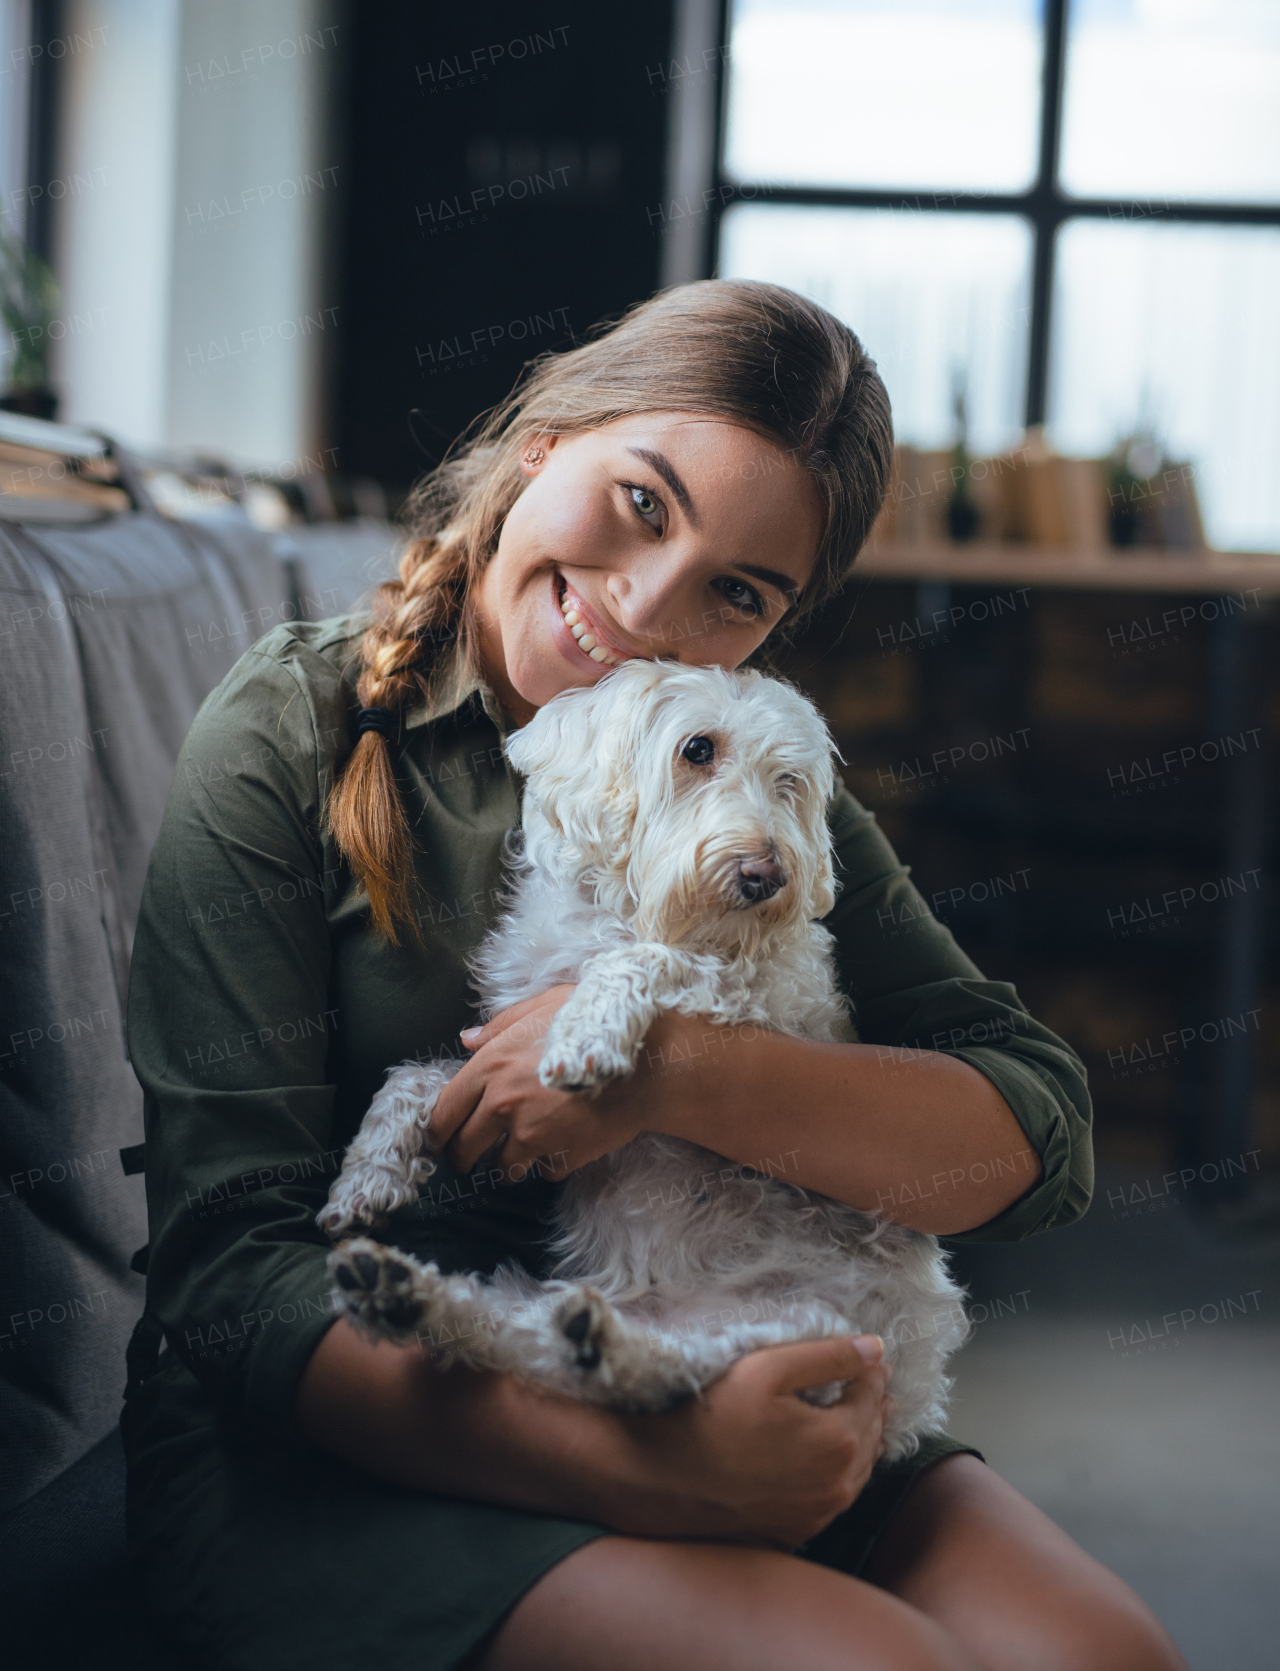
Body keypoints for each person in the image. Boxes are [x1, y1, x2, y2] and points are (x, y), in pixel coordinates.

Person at [123, 282, 1185, 1671]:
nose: (642, 609)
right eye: (640, 504)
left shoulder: (755, 800)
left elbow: (1037, 1138)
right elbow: (227, 1272)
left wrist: (679, 1072)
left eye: (736, 592)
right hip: (361, 1432)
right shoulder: (294, 730)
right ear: (541, 442)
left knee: (1110, 1656)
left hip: (719, 1358)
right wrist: (651, 1473)